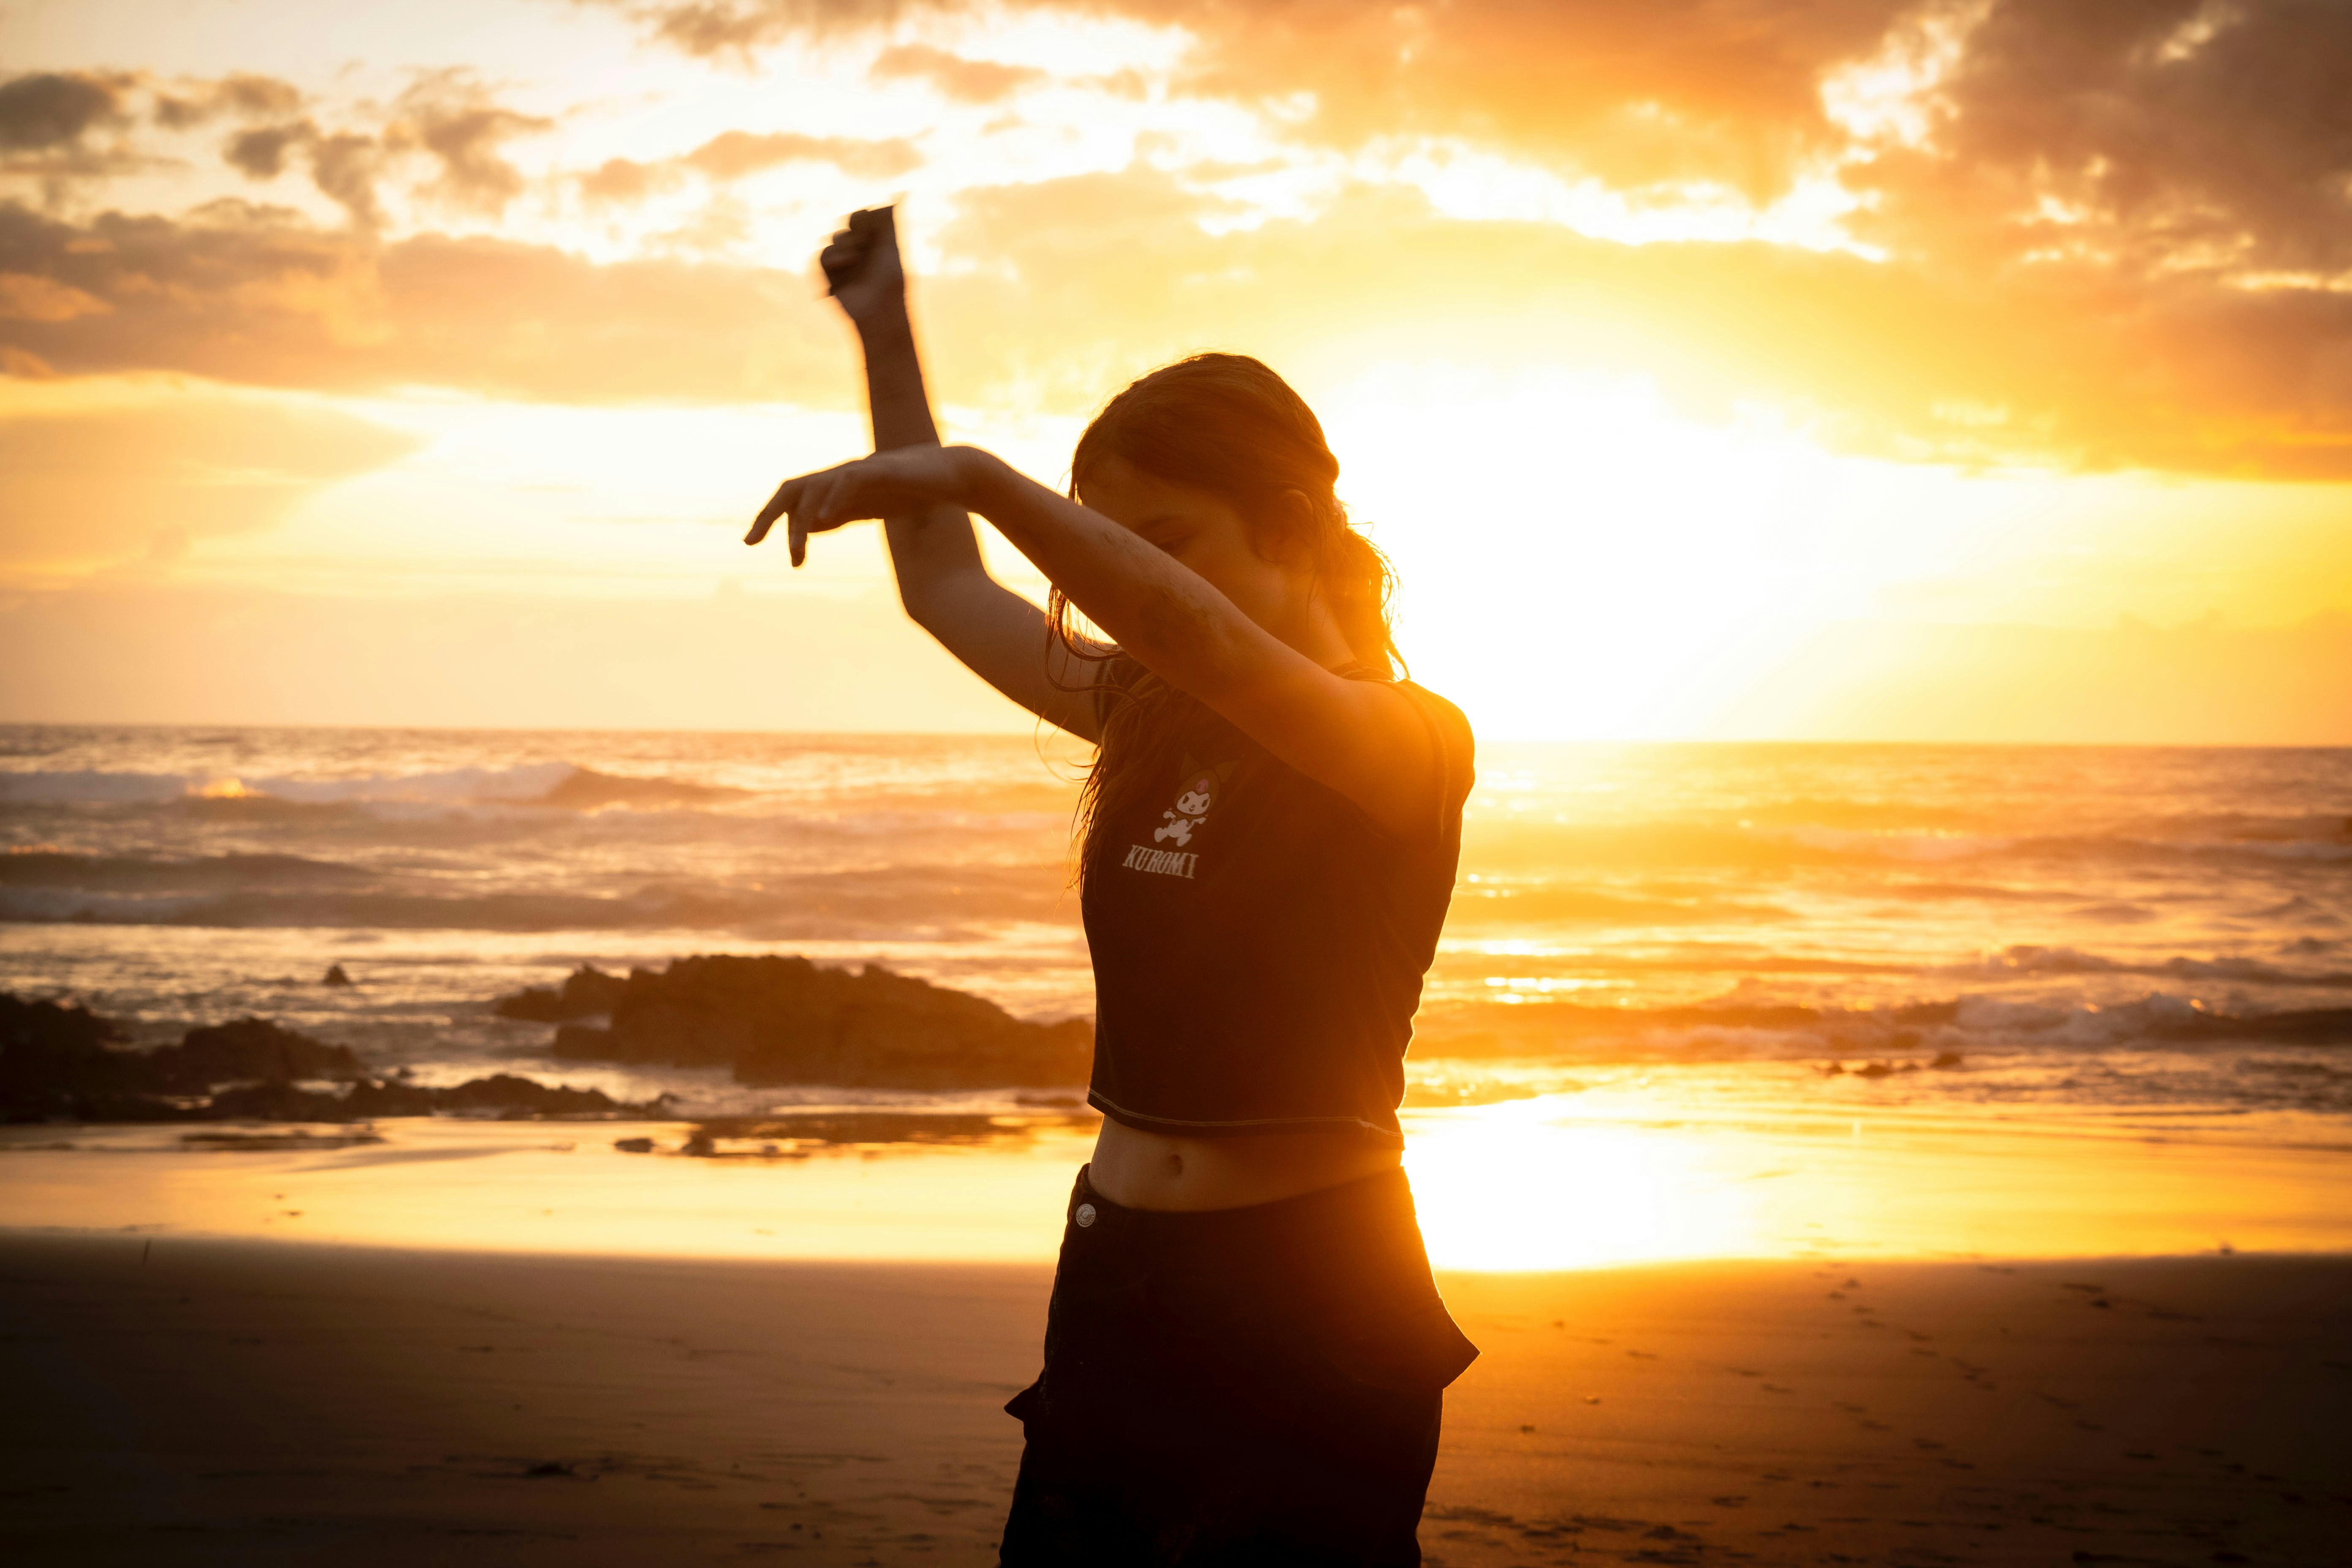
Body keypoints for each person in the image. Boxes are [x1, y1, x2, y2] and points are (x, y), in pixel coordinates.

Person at [748, 207, 1479, 1566]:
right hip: (1118, 1276)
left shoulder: (1406, 744)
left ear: (1296, 531)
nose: (1119, 584)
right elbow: (945, 588)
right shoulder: (1153, 714)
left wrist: (974, 471)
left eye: (1163, 539)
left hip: (1314, 1295)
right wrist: (886, 332)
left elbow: (1176, 625)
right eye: (1108, 545)